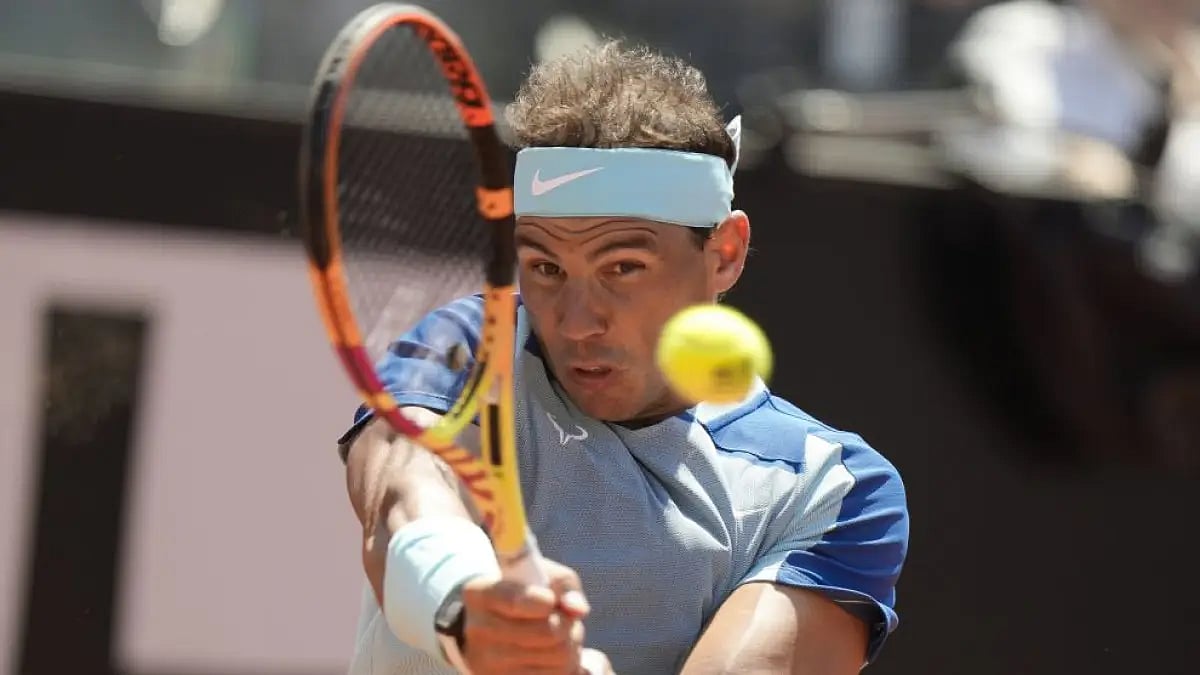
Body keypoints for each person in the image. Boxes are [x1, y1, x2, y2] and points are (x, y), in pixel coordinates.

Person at [340, 40, 910, 675]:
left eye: (623, 267)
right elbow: (400, 500)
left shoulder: (833, 488)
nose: (577, 321)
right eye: (546, 267)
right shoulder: (472, 345)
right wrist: (463, 603)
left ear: (724, 253)